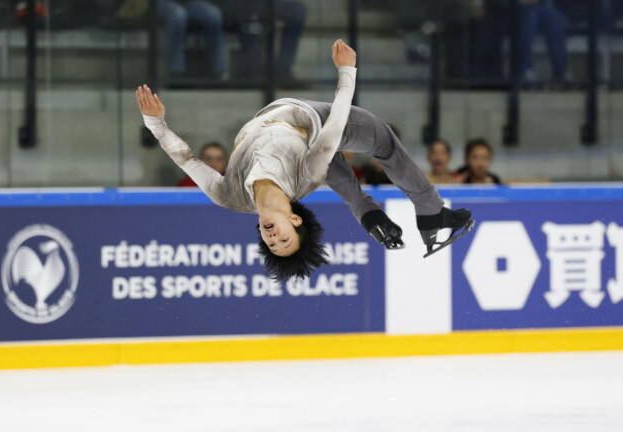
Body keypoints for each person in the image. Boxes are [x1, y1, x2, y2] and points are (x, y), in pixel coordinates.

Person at [137, 39, 473, 282]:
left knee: (331, 170)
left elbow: (188, 161)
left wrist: (156, 123)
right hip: (316, 119)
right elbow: (336, 124)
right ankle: (430, 212)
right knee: (381, 141)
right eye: (285, 240)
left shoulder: (230, 197)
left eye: (272, 244)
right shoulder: (307, 175)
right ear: (296, 223)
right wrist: (347, 72)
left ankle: (369, 215)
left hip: (285, 132)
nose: (274, 239)